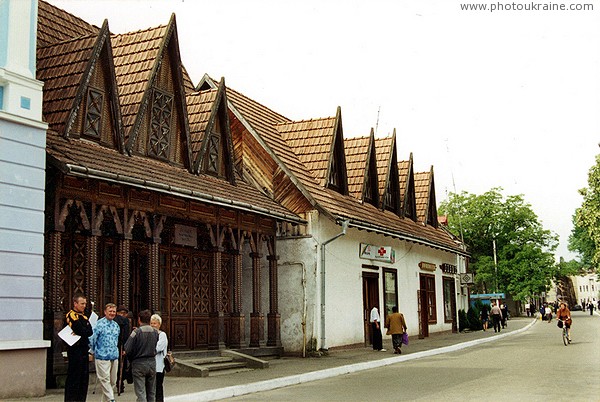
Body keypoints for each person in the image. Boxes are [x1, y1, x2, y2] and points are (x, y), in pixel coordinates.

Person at [124, 309, 159, 402]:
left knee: (141, 392)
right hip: (152, 362)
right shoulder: (155, 332)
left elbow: (127, 348)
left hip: (139, 363)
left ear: (139, 319)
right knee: (151, 392)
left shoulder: (136, 332)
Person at [64, 294, 94, 402]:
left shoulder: (84, 316)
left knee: (83, 378)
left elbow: (90, 331)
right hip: (75, 350)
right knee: (74, 378)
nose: (84, 306)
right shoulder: (71, 315)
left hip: (84, 350)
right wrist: (84, 330)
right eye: (82, 303)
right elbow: (80, 330)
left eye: (85, 303)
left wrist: (84, 330)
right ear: (75, 304)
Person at [89, 303, 120, 402]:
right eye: (110, 311)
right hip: (102, 356)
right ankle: (111, 399)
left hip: (114, 356)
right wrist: (93, 351)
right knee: (104, 380)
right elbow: (92, 339)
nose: (112, 313)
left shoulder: (116, 326)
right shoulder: (99, 324)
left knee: (112, 381)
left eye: (114, 311)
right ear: (105, 312)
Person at [150, 314, 168, 402]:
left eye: (155, 323)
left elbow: (158, 348)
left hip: (159, 366)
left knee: (158, 388)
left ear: (159, 324)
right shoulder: (149, 334)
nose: (153, 325)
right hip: (150, 365)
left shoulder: (162, 335)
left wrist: (147, 349)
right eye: (151, 323)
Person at [114, 305, 131, 394]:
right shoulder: (125, 321)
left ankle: (119, 383)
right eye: (121, 313)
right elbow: (126, 336)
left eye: (124, 313)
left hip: (115, 346)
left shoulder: (114, 320)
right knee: (121, 366)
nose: (122, 315)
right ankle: (120, 384)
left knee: (119, 366)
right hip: (120, 345)